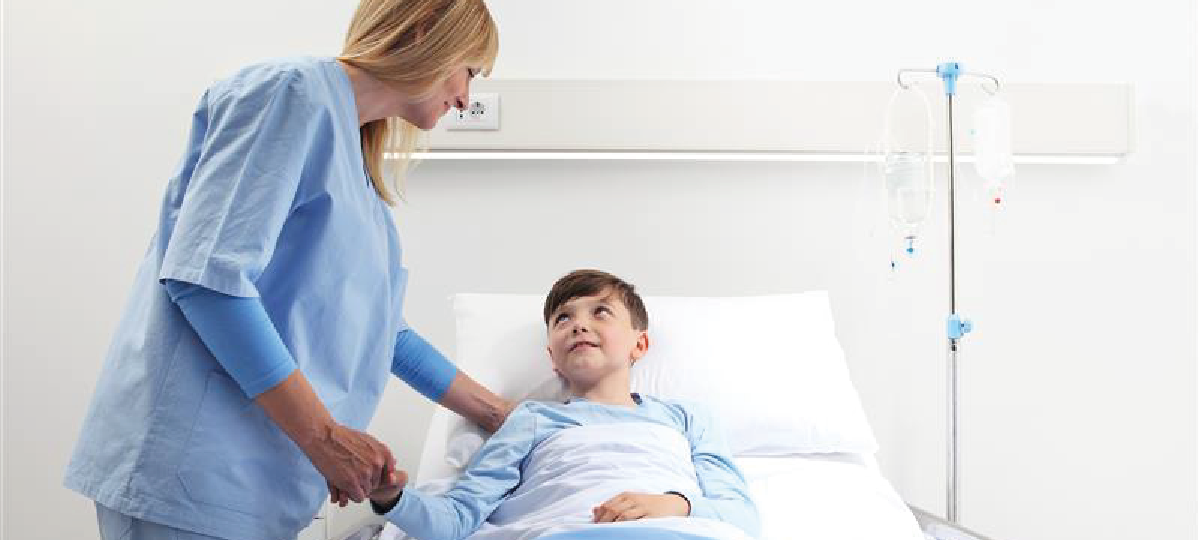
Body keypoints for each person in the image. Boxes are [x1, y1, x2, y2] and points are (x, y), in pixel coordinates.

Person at [62, 2, 511, 539]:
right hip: (195, 472)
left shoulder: (359, 174)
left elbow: (381, 333)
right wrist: (325, 437)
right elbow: (207, 282)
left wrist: (496, 413)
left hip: (258, 484)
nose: (466, 98)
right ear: (425, 35)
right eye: (471, 71)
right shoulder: (291, 94)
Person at [368, 270, 761, 540]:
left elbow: (741, 516)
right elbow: (459, 516)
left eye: (600, 312)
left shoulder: (687, 419)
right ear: (552, 358)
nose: (579, 324)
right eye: (563, 319)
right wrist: (391, 498)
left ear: (640, 344)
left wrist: (671, 504)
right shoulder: (532, 419)